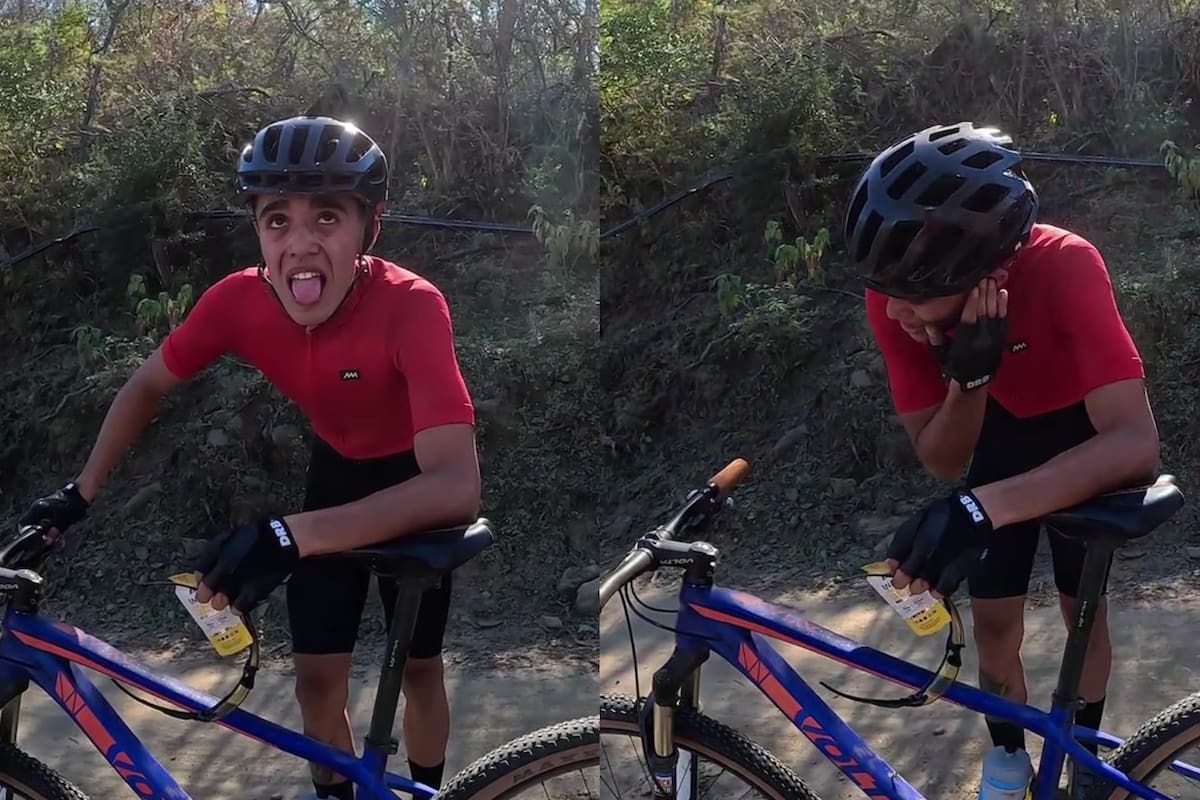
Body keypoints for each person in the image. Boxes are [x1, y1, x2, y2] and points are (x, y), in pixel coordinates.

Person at [17, 115, 481, 800]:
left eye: (327, 217)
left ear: (369, 227)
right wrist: (79, 493)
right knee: (316, 685)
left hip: (412, 485)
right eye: (277, 220)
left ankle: (431, 793)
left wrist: (289, 535)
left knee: (418, 670)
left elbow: (454, 486)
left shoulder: (412, 306)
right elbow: (146, 385)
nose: (300, 244)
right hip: (336, 475)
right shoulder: (236, 302)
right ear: (257, 231)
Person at [845, 122, 1160, 797]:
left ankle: (1082, 756)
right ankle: (1009, 758)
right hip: (1002, 440)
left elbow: (1134, 443)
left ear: (985, 273)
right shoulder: (895, 301)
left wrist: (978, 508)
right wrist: (968, 378)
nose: (894, 309)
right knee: (994, 627)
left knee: (1084, 619)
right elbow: (942, 459)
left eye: (913, 292)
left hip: (1083, 442)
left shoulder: (1065, 263)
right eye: (884, 287)